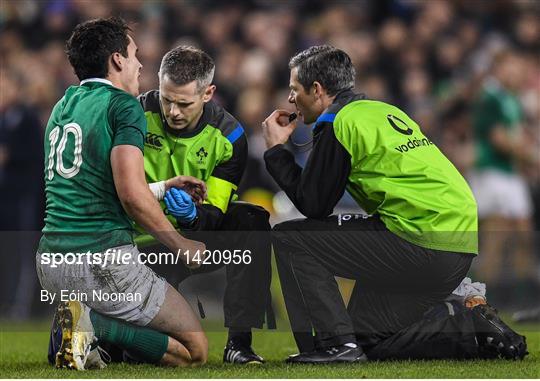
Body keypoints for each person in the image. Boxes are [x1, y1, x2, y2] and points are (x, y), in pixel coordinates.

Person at [262, 45, 526, 363]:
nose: (291, 99)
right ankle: (468, 327)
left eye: (294, 90)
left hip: (420, 235)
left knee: (292, 239)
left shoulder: (338, 120)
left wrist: (277, 151)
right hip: (457, 243)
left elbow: (314, 204)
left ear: (316, 90)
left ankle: (334, 346)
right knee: (368, 338)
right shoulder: (384, 111)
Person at [37, 17, 209, 370]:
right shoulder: (123, 105)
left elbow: (95, 187)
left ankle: (80, 330)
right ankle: (90, 323)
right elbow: (130, 195)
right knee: (194, 351)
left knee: (132, 340)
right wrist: (182, 245)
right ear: (117, 60)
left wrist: (163, 187)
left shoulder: (62, 107)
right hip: (102, 262)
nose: (140, 64)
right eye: (134, 55)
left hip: (51, 262)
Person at [135, 45, 274, 364]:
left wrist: (192, 216)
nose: (172, 112)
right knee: (153, 354)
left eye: (183, 103)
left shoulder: (230, 136)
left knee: (251, 220)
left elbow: (214, 215)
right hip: (141, 242)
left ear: (208, 93)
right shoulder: (134, 116)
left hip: (194, 240)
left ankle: (240, 343)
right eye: (166, 99)